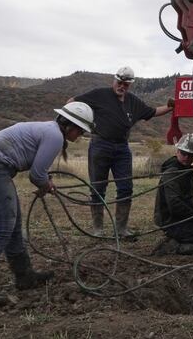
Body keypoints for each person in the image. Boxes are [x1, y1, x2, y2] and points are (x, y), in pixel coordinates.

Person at [0, 102, 95, 306]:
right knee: (2, 227)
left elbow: (39, 171)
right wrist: (46, 184)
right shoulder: (55, 135)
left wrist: (44, 181)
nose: (80, 136)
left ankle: (24, 277)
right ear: (71, 125)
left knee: (12, 226)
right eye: (81, 131)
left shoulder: (49, 129)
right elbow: (37, 174)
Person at [70, 66, 174, 237]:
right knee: (98, 188)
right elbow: (73, 101)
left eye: (126, 84)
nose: (122, 86)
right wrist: (77, 122)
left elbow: (153, 112)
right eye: (120, 82)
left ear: (130, 85)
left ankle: (121, 229)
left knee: (126, 188)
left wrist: (170, 107)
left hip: (122, 148)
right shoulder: (99, 94)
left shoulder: (133, 101)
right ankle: (98, 230)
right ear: (114, 80)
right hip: (100, 145)